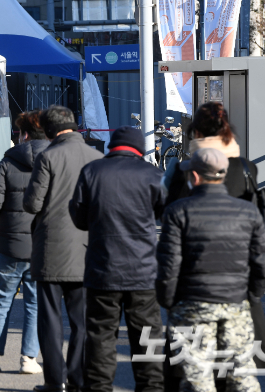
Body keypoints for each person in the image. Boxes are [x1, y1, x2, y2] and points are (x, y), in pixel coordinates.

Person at [156, 147, 265, 392]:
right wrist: (252, 295)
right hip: (235, 303)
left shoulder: (177, 212)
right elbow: (261, 261)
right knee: (242, 373)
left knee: (198, 376)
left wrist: (168, 301)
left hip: (192, 304)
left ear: (194, 177)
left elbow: (168, 264)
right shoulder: (248, 212)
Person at [68, 126, 165, 392]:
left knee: (100, 337)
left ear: (113, 147)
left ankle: (98, 387)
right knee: (147, 337)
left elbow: (78, 217)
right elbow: (166, 213)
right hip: (143, 273)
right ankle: (152, 387)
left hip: (102, 270)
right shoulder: (153, 175)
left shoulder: (92, 172)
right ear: (138, 149)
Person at [22, 105, 103, 391]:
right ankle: (78, 379)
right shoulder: (96, 157)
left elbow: (32, 203)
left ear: (50, 130)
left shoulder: (48, 157)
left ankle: (55, 382)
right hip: (85, 248)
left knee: (50, 319)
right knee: (81, 321)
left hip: (51, 249)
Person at [0, 111, 48, 374]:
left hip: (9, 243)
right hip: (42, 245)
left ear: (23, 135)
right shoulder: (54, 161)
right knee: (35, 304)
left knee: (0, 302)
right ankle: (29, 359)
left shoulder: (7, 163)